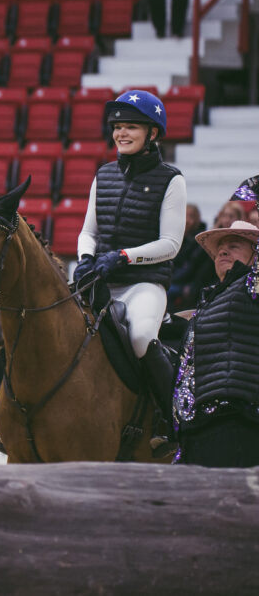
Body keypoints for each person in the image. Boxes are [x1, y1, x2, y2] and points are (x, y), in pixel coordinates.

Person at [72, 90, 186, 443]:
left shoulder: (172, 179)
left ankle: (172, 422)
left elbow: (170, 245)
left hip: (143, 284)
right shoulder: (103, 174)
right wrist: (86, 258)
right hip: (99, 280)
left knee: (139, 338)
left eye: (131, 127)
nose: (121, 133)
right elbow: (88, 231)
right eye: (117, 126)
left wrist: (122, 257)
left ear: (153, 133)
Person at [174, 220, 259, 466]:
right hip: (196, 428)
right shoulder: (209, 299)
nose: (222, 251)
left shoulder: (251, 286)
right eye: (220, 248)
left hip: (236, 421)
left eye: (234, 246)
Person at [168, 204, 217, 310]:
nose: (186, 220)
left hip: (189, 283)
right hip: (176, 278)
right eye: (184, 216)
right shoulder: (176, 237)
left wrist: (171, 279)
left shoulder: (199, 240)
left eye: (191, 217)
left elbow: (191, 268)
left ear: (197, 219)